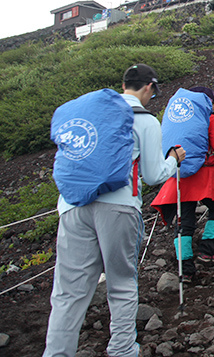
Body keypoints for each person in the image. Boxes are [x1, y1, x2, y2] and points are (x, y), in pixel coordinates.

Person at [43, 64, 186, 357]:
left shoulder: (95, 114)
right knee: (121, 283)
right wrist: (173, 159)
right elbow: (154, 174)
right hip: (119, 206)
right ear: (149, 87)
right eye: (153, 91)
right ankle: (122, 349)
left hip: (71, 205)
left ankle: (57, 353)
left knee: (68, 292)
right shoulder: (144, 119)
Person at [151, 86, 214, 278]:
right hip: (203, 175)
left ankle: (185, 268)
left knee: (185, 221)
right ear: (208, 102)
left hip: (178, 175)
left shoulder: (179, 119)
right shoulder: (210, 118)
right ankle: (208, 249)